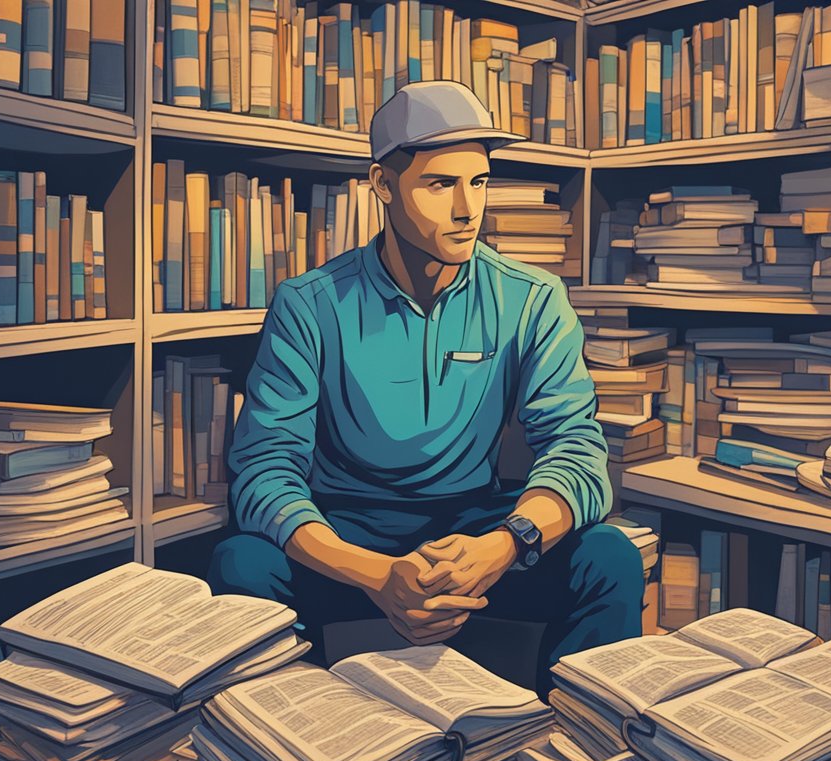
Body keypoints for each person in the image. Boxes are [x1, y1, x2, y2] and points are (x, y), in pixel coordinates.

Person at [210, 81, 642, 696]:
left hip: (476, 522)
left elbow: (577, 449)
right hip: (349, 528)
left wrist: (506, 543)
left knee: (610, 558)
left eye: (480, 182)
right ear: (383, 186)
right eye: (441, 184)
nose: (469, 208)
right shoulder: (309, 305)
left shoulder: (532, 299)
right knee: (242, 564)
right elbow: (263, 469)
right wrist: (376, 574)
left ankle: (578, 745)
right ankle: (288, 749)